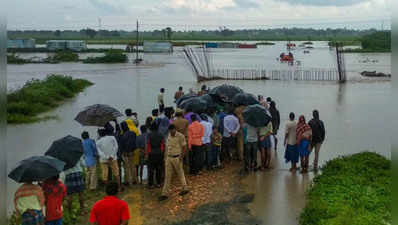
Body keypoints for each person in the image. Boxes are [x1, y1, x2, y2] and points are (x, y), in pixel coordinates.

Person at [159, 125, 190, 201]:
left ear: (175, 129)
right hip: (169, 158)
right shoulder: (168, 136)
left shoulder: (180, 136)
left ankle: (185, 187)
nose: (171, 132)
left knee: (180, 173)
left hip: (177, 157)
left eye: (172, 130)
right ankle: (164, 193)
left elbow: (184, 147)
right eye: (170, 131)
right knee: (167, 176)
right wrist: (165, 157)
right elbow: (167, 147)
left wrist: (181, 157)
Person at [146, 123, 165, 188]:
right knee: (158, 169)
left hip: (151, 154)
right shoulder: (161, 135)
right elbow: (162, 144)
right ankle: (158, 183)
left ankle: (151, 184)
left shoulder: (149, 135)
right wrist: (162, 153)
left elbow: (148, 145)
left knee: (151, 169)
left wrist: (147, 154)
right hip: (159, 153)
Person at [119, 121, 138, 186]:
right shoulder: (133, 133)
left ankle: (129, 182)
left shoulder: (122, 135)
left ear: (122, 128)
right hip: (132, 152)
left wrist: (122, 153)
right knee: (133, 166)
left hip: (125, 153)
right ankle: (135, 180)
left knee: (127, 168)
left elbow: (121, 145)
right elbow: (135, 142)